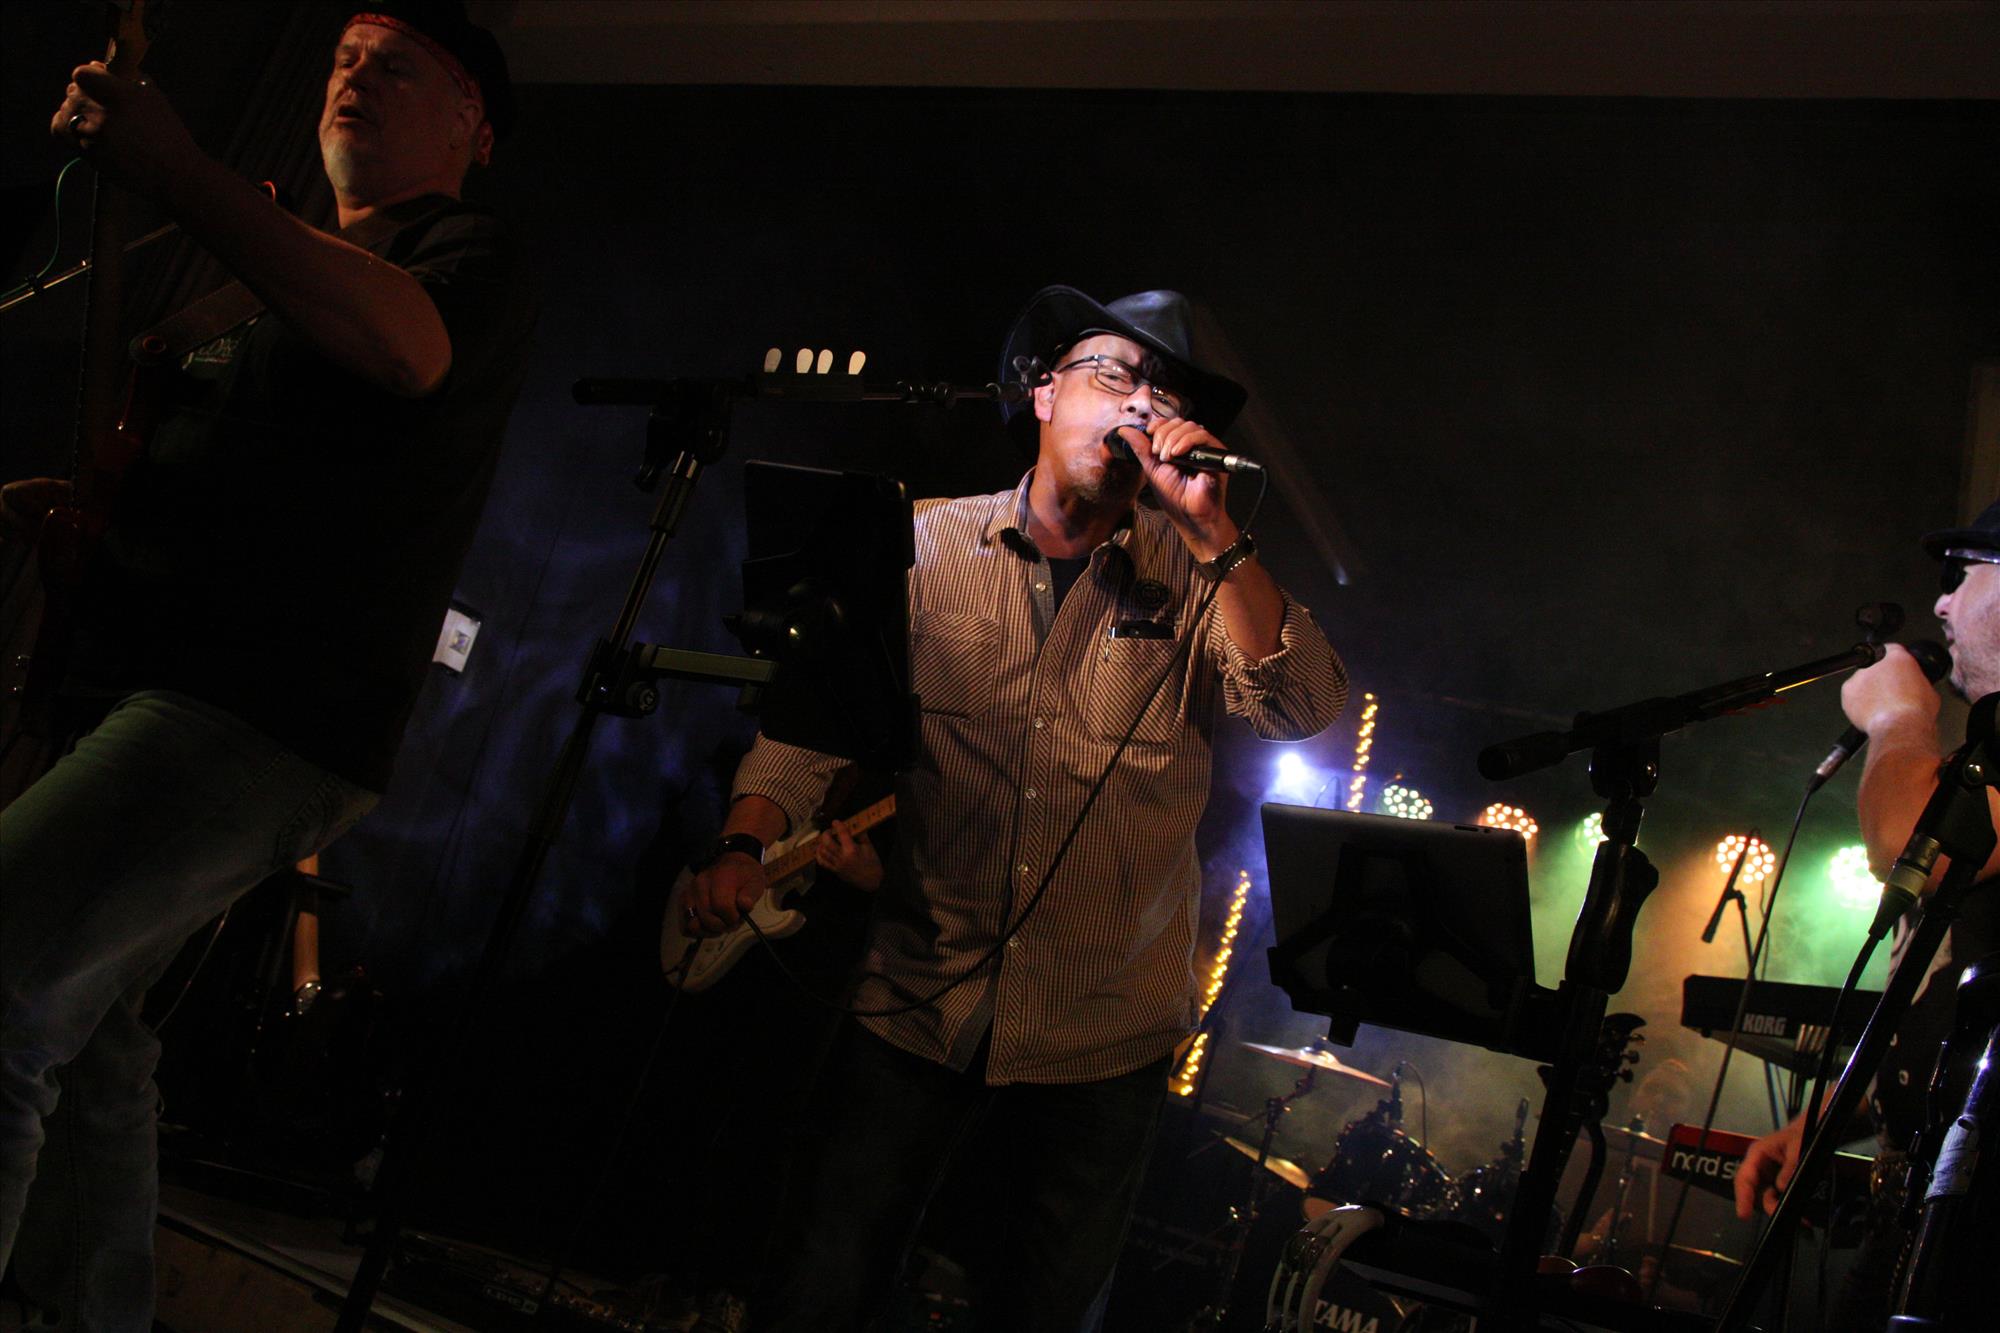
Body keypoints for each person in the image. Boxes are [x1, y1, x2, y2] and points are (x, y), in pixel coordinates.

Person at [0, 2, 534, 1325]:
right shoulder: (285, 273)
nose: (355, 76)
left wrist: (180, 172)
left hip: (251, 712)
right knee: (96, 1037)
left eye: (396, 65)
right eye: (344, 57)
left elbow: (407, 348)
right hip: (169, 683)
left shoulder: (459, 254)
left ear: (472, 125)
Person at [680, 285, 1348, 1330]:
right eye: (1114, 375)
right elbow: (812, 725)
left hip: (1103, 1034)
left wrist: (1214, 531)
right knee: (819, 1287)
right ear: (1041, 393)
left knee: (1038, 1310)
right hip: (916, 1000)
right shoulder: (919, 543)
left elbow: (1302, 705)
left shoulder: (1199, 576)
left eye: (1165, 394)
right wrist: (742, 840)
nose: (1141, 406)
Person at [1734, 497, 2000, 1327]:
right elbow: (1946, 1001)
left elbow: (1905, 843)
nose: (1941, 603)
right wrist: (1828, 1116)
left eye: (1963, 575)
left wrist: (1896, 716)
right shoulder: (1984, 762)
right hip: (1919, 1205)